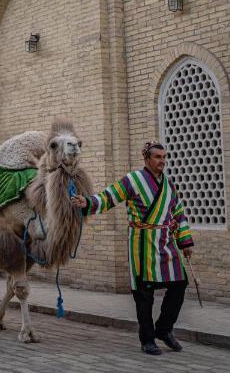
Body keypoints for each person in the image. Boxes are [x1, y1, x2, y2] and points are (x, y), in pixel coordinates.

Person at [71, 140, 194, 355]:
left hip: (166, 242)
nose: (162, 161)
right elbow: (109, 197)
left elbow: (178, 212)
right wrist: (88, 203)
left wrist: (185, 241)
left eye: (164, 157)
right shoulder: (133, 180)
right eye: (158, 157)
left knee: (180, 284)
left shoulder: (169, 185)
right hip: (142, 242)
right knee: (144, 293)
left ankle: (164, 329)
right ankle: (147, 339)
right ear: (147, 159)